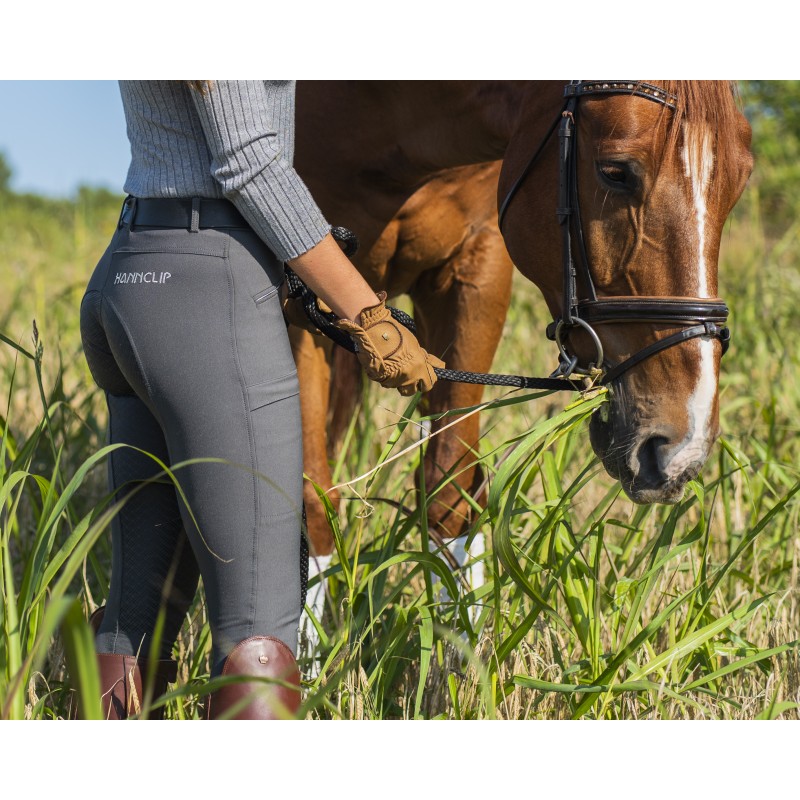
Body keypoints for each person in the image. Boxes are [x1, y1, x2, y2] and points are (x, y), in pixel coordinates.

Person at [78, 80, 444, 720]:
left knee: (134, 623)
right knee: (259, 642)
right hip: (207, 288)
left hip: (135, 273)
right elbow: (248, 157)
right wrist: (366, 314)